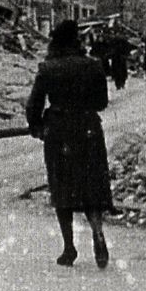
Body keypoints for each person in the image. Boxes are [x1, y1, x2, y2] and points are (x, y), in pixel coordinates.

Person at [24, 19, 113, 268]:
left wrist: (38, 127)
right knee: (92, 185)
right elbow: (101, 102)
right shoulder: (92, 66)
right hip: (88, 129)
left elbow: (34, 104)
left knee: (62, 187)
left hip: (60, 130)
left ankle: (69, 247)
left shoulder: (48, 68)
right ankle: (97, 232)